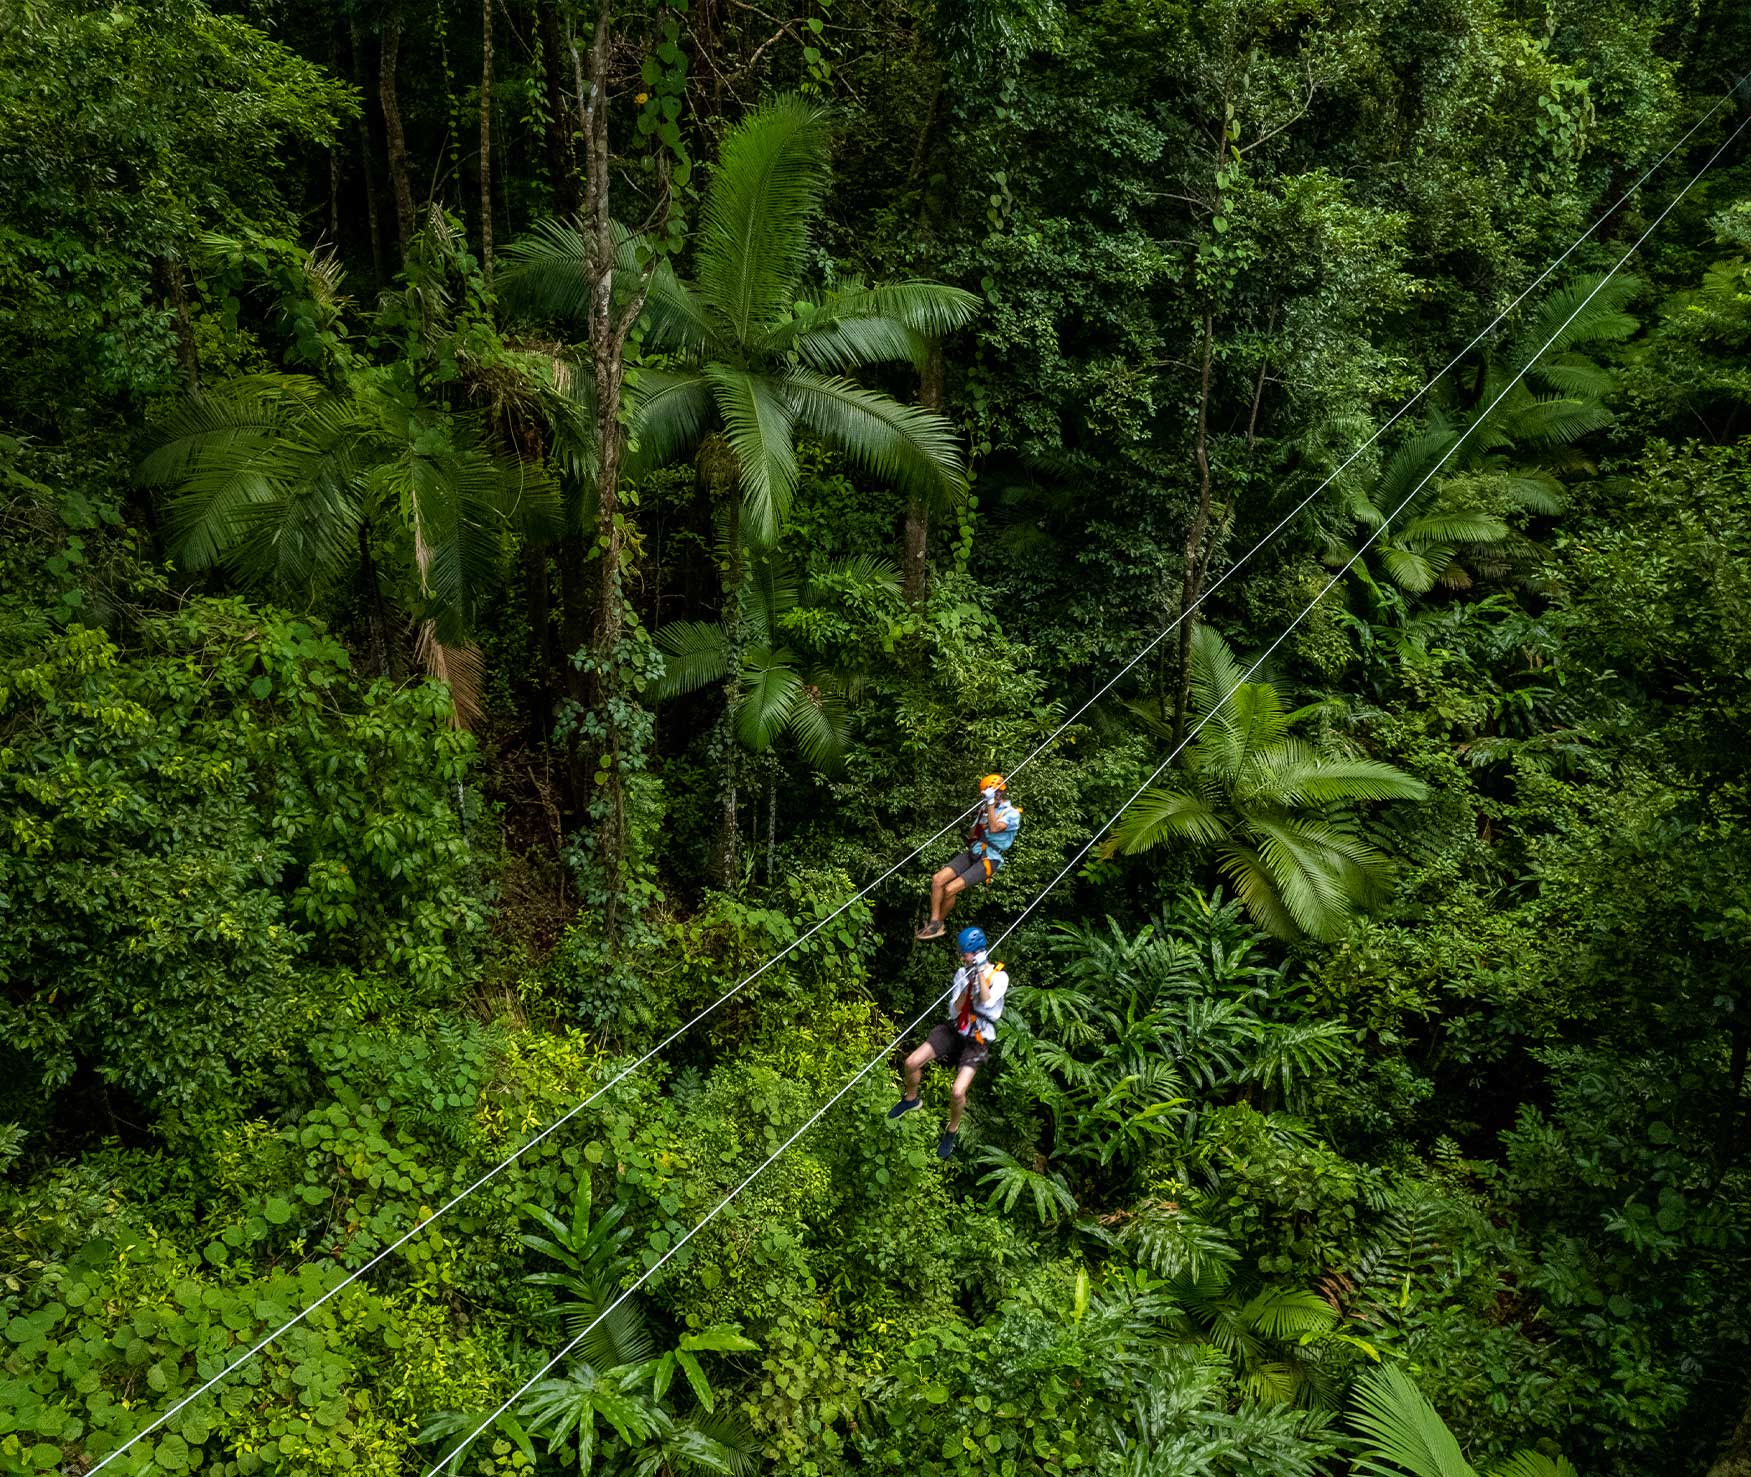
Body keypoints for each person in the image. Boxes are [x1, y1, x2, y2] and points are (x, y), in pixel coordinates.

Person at [887, 926, 1010, 1159]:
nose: (962, 957)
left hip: (978, 1039)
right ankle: (911, 1099)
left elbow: (986, 998)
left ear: (976, 952)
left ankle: (951, 1131)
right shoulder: (960, 974)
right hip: (956, 1029)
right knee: (912, 1062)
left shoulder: (999, 977)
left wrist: (980, 975)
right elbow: (954, 1010)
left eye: (965, 953)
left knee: (957, 1091)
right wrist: (967, 982)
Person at [916, 773, 1021, 941]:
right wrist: (982, 817)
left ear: (1000, 791)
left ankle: (940, 924)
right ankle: (933, 922)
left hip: (990, 858)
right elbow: (972, 833)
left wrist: (991, 806)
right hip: (975, 851)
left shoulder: (1012, 813)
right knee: (937, 879)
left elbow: (994, 829)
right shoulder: (985, 809)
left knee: (950, 889)